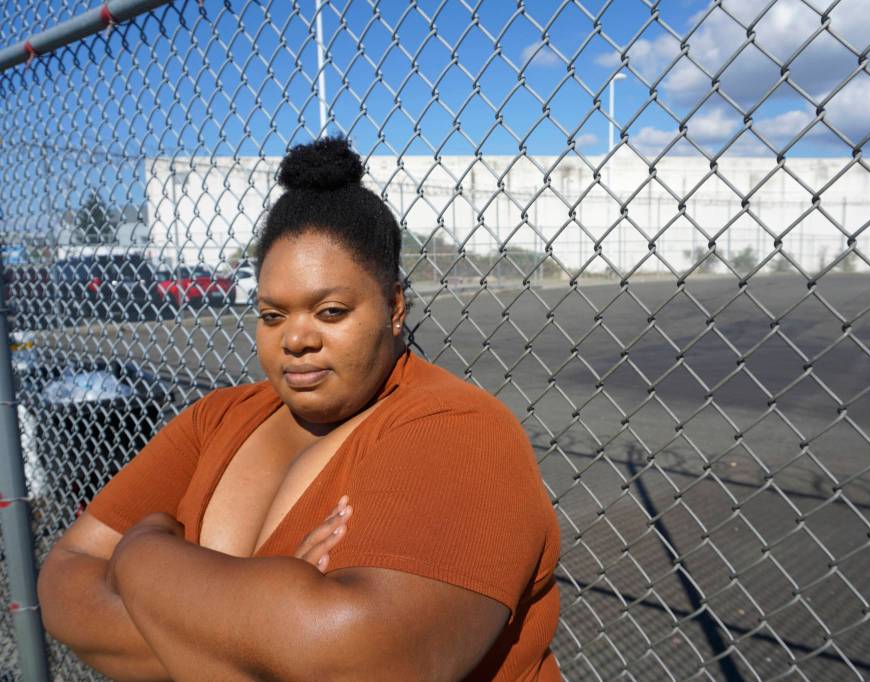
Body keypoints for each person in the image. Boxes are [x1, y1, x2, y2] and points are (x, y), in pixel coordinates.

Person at [37, 137, 561, 681]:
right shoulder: (215, 418)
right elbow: (63, 580)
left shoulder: (460, 431)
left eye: (330, 311)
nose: (296, 339)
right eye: (271, 315)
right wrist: (266, 628)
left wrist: (142, 557)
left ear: (395, 307)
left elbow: (364, 665)